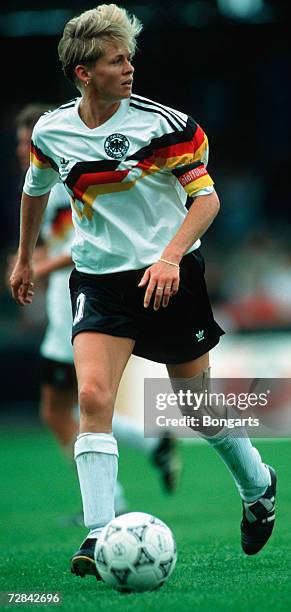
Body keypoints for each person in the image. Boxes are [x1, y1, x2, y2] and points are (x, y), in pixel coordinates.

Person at [10, 4, 277, 580]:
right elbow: (34, 188)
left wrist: (170, 257)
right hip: (101, 284)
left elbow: (207, 201)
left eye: (130, 58)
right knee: (93, 399)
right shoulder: (52, 131)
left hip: (170, 277)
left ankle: (258, 485)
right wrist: (26, 255)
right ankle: (100, 533)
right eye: (117, 60)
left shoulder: (166, 125)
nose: (130, 69)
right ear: (84, 72)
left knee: (197, 410)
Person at [12, 104, 180, 523]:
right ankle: (150, 448)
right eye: (18, 141)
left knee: (71, 406)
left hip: (83, 304)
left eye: (24, 139)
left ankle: (114, 498)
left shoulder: (60, 179)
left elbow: (81, 243)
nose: (20, 148)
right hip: (64, 310)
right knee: (70, 407)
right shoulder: (42, 180)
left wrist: (36, 263)